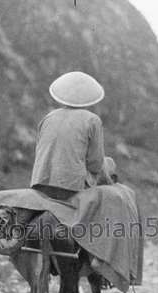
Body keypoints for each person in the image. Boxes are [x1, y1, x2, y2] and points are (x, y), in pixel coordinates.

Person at [30, 71, 109, 201]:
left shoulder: (49, 117)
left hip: (39, 182)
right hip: (70, 186)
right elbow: (95, 163)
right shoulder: (92, 120)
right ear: (87, 97)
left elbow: (40, 150)